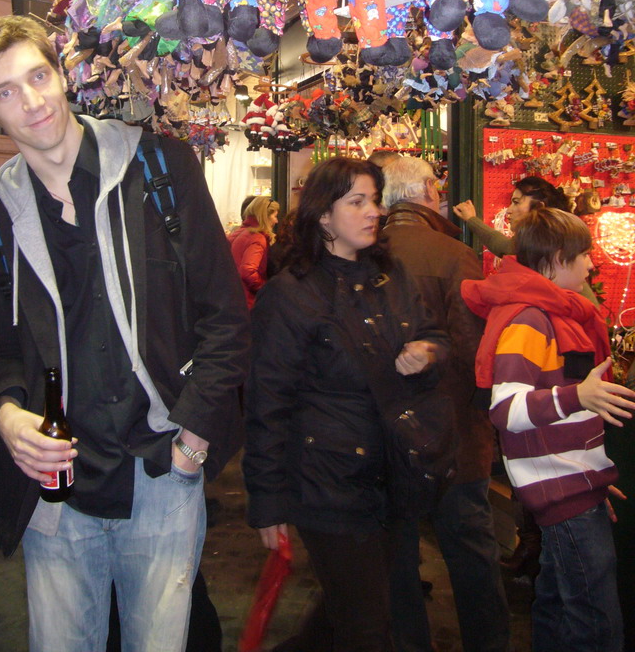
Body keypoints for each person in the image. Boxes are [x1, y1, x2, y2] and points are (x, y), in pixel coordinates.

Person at [0, 15, 249, 652]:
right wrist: (6, 418)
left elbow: (225, 316)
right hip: (55, 488)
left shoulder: (160, 168)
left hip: (161, 470)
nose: (32, 101)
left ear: (61, 74)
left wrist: (192, 442)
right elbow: (2, 356)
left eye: (38, 76)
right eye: (5, 91)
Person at [243, 157, 447, 652]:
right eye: (356, 201)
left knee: (352, 609)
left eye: (374, 200)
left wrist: (428, 352)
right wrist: (268, 502)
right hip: (326, 483)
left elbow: (434, 333)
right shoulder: (290, 296)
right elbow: (267, 405)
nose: (372, 211)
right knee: (366, 626)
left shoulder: (390, 275)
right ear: (324, 215)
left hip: (392, 472)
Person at [462, 207, 635, 652]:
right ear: (558, 259)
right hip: (562, 490)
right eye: (584, 255)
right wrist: (579, 397)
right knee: (594, 618)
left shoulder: (554, 313)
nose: (592, 265)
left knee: (560, 601)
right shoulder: (530, 320)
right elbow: (507, 408)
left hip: (571, 483)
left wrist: (591, 474)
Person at [381, 157, 509, 652]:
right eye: (435, 186)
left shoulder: (363, 252)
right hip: (454, 433)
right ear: (426, 192)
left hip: (387, 437)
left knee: (397, 560)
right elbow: (476, 351)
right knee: (472, 557)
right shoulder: (453, 254)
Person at [452, 174, 571, 256]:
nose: (508, 210)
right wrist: (471, 219)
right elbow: (503, 245)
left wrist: (472, 220)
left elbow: (503, 246)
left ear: (539, 208)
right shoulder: (534, 241)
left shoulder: (551, 248)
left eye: (516, 202)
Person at [228, 195, 279, 309]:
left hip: (232, 297)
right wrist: (265, 288)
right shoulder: (257, 238)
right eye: (275, 216)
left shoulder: (237, 233)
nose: (276, 221)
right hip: (247, 301)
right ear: (265, 217)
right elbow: (248, 271)